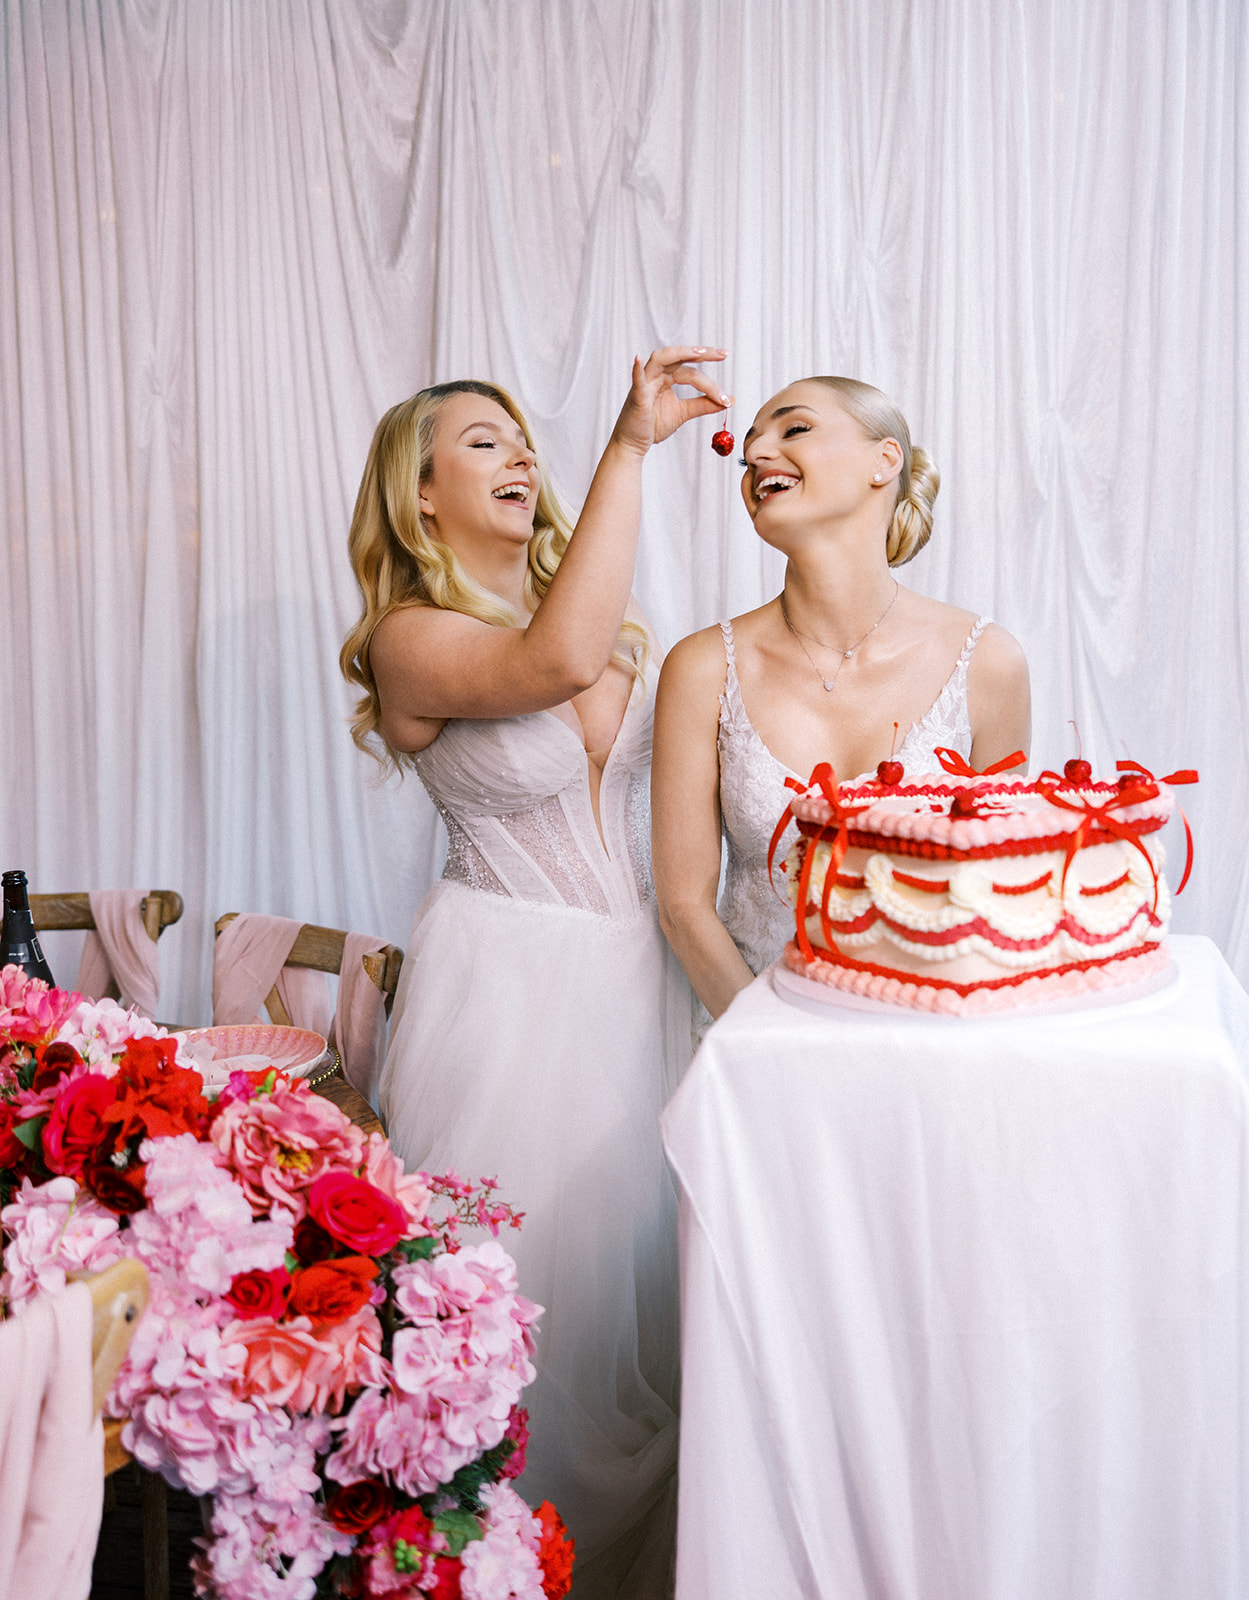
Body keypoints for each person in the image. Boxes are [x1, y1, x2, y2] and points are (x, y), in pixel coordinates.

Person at [339, 349, 729, 1599]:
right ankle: (495, 1568)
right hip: (505, 1003)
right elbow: (554, 667)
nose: (517, 454)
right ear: (420, 497)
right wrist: (629, 444)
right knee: (519, 1312)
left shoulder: (601, 616)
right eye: (479, 441)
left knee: (649, 1294)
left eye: (520, 437)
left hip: (642, 983)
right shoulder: (410, 642)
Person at [652, 374, 1032, 1020]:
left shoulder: (988, 662)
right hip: (753, 1050)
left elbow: (997, 891)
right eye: (747, 450)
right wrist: (773, 1045)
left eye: (792, 429)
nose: (755, 457)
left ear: (884, 461)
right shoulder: (700, 668)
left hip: (931, 1044)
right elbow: (683, 908)